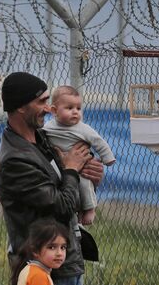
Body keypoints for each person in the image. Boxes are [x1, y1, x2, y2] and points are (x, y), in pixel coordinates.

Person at [0, 72, 104, 285]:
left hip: (64, 260)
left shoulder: (43, 139)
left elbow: (67, 190)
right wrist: (72, 169)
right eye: (42, 101)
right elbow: (61, 205)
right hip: (42, 269)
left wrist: (89, 179)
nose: (48, 108)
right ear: (20, 107)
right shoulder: (14, 160)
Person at [43, 85, 116, 225]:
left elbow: (98, 142)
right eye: (69, 108)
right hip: (58, 167)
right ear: (54, 111)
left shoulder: (82, 128)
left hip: (81, 166)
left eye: (78, 108)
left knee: (84, 183)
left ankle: (89, 209)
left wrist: (108, 158)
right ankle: (77, 212)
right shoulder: (48, 127)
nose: (75, 112)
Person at [11, 218, 70, 285]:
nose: (59, 253)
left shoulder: (33, 270)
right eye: (51, 247)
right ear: (35, 251)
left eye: (63, 247)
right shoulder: (38, 276)